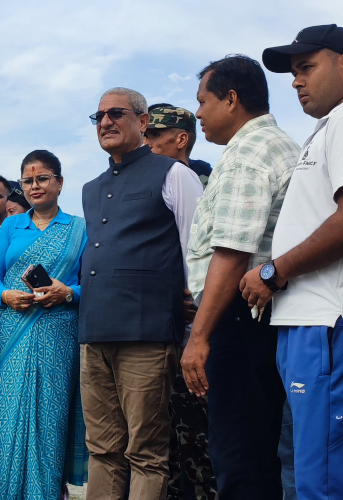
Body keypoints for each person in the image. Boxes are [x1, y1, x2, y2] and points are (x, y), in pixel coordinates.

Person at [181, 55, 301, 500]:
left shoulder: (247, 156)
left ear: (231, 100)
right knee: (266, 451)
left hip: (239, 316)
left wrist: (200, 336)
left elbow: (231, 251)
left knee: (239, 456)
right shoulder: (282, 145)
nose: (198, 114)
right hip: (265, 313)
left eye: (203, 101)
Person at [232, 26, 343, 500]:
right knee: (301, 472)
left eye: (307, 67)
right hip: (302, 325)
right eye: (293, 72)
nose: (296, 81)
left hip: (323, 323)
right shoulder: (324, 130)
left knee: (319, 480)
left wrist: (274, 273)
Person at [79, 87, 203, 500]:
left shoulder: (174, 174)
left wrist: (196, 325)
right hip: (94, 335)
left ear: (143, 121)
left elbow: (197, 251)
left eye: (116, 113)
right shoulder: (91, 188)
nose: (106, 122)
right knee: (101, 449)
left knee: (146, 453)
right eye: (98, 117)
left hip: (147, 334)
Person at [0, 151, 88, 499]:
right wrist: (6, 296)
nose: (35, 186)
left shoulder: (78, 228)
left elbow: (93, 281)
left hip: (58, 332)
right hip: (12, 330)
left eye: (42, 179)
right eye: (28, 180)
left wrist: (68, 292)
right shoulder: (11, 225)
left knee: (49, 420)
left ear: (59, 183)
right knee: (5, 418)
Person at [144, 104, 219, 500]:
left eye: (154, 136)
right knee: (164, 441)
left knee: (203, 441)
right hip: (160, 330)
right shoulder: (145, 185)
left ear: (181, 138)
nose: (148, 143)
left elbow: (203, 253)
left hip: (198, 330)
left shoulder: (202, 180)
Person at [145, 103, 213, 188]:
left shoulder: (203, 172)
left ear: (181, 140)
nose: (146, 144)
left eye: (156, 135)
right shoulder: (138, 176)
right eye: (146, 136)